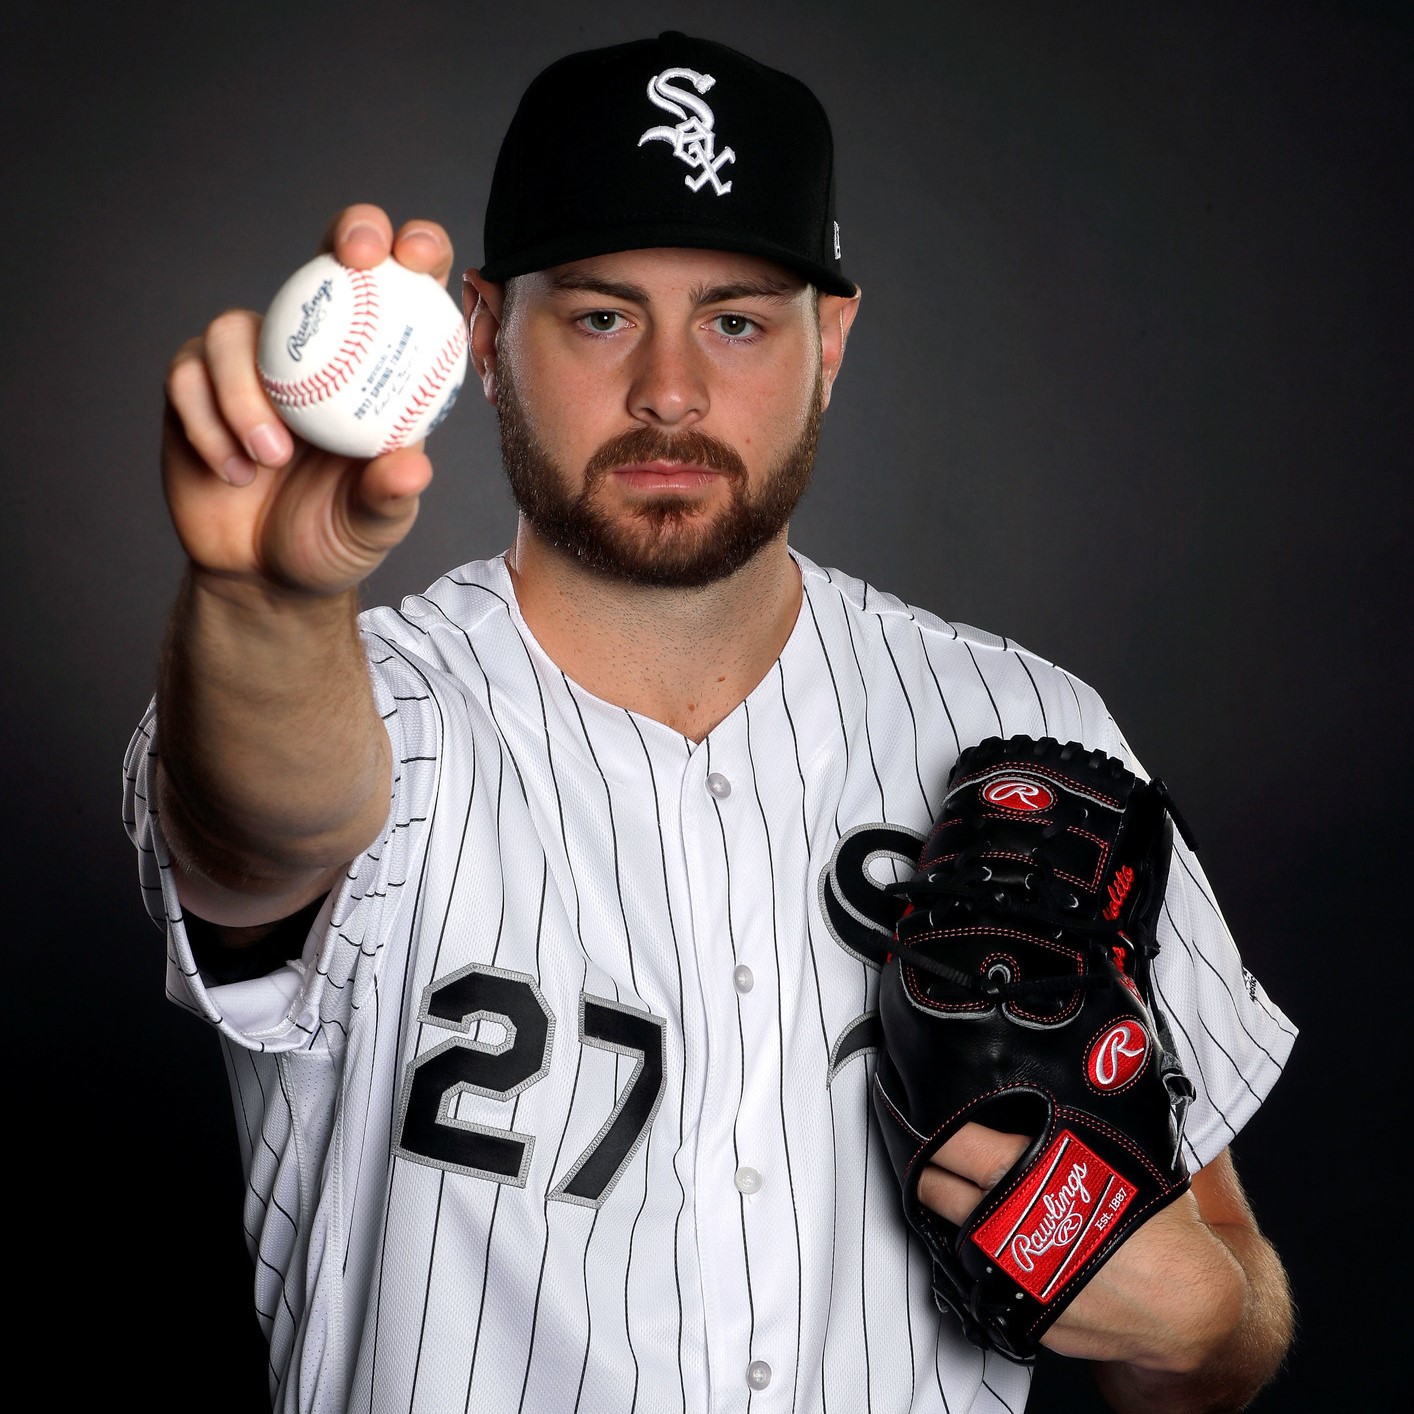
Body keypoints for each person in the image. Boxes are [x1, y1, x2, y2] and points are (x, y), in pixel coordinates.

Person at [125, 31, 1297, 1414]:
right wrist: (265, 608)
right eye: (601, 317)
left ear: (830, 342)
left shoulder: (1024, 726)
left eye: (735, 321)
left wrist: (1203, 1316)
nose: (669, 391)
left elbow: (1221, 1309)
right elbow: (262, 828)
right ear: (487, 336)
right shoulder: (357, 701)